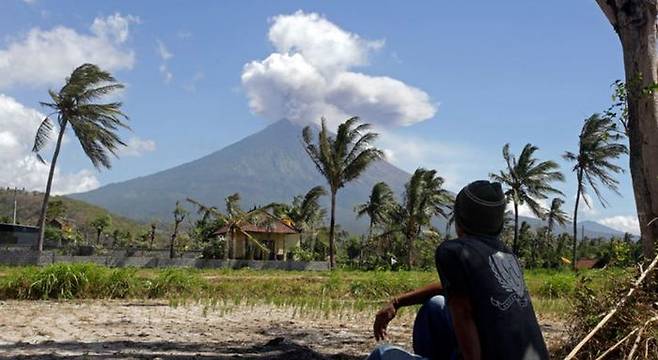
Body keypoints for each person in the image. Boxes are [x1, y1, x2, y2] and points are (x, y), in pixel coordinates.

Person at [367, 180, 549, 360]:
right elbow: (446, 289)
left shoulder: (452, 251)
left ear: (459, 218)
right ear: (499, 223)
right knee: (435, 306)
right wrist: (397, 302)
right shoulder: (507, 255)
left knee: (381, 355)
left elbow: (464, 315)